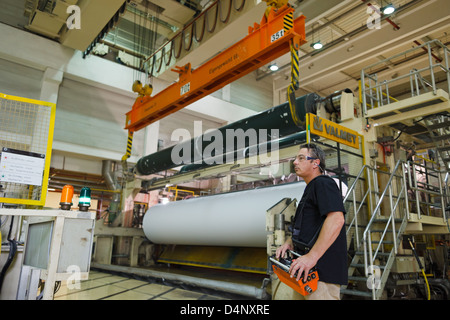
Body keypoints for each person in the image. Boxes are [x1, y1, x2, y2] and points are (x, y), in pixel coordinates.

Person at [275, 143, 347, 300]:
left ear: (316, 163)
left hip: (321, 274)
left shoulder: (324, 183)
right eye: (295, 158)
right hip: (305, 271)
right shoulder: (311, 188)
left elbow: (336, 219)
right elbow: (306, 226)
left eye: (301, 158)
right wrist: (289, 242)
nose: (295, 162)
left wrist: (312, 257)